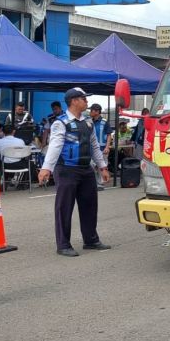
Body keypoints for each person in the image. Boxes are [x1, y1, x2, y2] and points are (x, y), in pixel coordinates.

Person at [38, 87, 111, 257]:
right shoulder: (60, 123)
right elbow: (55, 145)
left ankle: (91, 240)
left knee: (90, 206)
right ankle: (63, 244)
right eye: (84, 99)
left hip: (86, 169)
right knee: (64, 208)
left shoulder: (88, 122)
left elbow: (94, 146)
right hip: (66, 170)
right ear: (74, 101)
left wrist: (102, 167)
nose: (87, 102)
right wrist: (46, 168)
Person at [89, 103, 112, 189]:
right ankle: (94, 183)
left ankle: (100, 184)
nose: (90, 112)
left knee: (101, 166)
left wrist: (107, 147)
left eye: (92, 110)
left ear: (97, 112)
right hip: (92, 149)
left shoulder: (104, 122)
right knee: (91, 166)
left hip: (102, 148)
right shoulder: (90, 122)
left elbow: (109, 134)